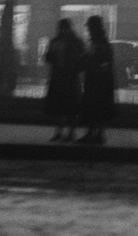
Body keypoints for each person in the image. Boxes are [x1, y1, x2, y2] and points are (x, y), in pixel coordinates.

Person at [43, 18, 85, 142]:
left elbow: (80, 59)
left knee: (69, 106)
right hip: (61, 77)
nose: (62, 31)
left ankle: (69, 132)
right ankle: (60, 132)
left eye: (63, 28)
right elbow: (48, 57)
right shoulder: (67, 41)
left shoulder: (74, 42)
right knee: (61, 106)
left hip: (68, 77)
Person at [79, 15, 117, 145]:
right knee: (94, 107)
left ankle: (96, 134)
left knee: (96, 107)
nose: (88, 29)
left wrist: (89, 64)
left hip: (98, 81)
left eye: (89, 27)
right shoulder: (98, 42)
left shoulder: (99, 43)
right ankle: (94, 133)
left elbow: (103, 62)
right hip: (96, 80)